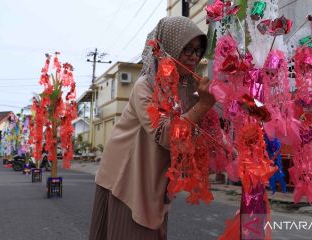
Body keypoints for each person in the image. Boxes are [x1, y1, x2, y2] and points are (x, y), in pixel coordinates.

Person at [89, 16, 216, 240]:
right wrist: (203, 105)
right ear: (169, 48)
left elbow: (200, 132)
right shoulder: (145, 86)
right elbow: (168, 135)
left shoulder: (188, 88)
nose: (194, 57)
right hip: (128, 175)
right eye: (187, 49)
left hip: (155, 177)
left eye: (198, 51)